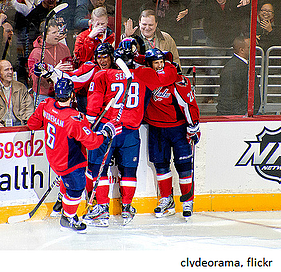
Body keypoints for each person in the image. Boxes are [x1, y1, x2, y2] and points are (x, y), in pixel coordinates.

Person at [82, 42, 178, 227]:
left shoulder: (103, 74)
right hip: (131, 132)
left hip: (107, 130)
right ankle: (126, 208)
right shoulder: (144, 74)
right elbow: (170, 74)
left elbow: (93, 108)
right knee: (128, 170)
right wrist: (141, 60)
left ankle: (101, 209)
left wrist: (91, 129)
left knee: (98, 169)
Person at [27, 77, 122, 233]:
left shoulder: (46, 104)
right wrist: (106, 133)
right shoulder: (75, 119)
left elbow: (33, 123)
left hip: (54, 157)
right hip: (70, 162)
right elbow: (92, 142)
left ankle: (61, 204)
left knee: (67, 182)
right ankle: (68, 217)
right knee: (76, 188)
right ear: (71, 95)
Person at [33, 42, 115, 215]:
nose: (102, 60)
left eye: (105, 56)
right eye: (99, 57)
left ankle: (92, 204)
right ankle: (65, 201)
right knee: (77, 166)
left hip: (91, 122)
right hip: (82, 124)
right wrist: (50, 70)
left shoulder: (48, 104)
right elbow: (72, 78)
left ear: (112, 57)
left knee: (88, 166)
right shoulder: (90, 68)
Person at [143, 48, 200, 219]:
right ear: (149, 65)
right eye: (156, 63)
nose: (160, 65)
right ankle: (166, 200)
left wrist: (193, 127)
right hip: (156, 129)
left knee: (184, 166)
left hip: (178, 129)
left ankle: (188, 201)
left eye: (161, 62)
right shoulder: (146, 77)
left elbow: (187, 104)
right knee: (161, 165)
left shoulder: (175, 79)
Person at [176, 0, 251, 103]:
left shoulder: (236, 2)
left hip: (233, 40)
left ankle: (237, 95)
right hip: (215, 41)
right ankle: (209, 96)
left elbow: (246, 14)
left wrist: (247, 5)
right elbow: (197, 12)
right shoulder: (208, 3)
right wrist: (188, 12)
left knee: (236, 68)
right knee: (213, 69)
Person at [28, 18, 72, 106]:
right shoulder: (36, 53)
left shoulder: (64, 48)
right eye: (54, 33)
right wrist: (54, 71)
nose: (58, 35)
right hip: (44, 95)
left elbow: (70, 69)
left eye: (58, 32)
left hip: (63, 95)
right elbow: (35, 79)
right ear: (44, 35)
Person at [217, 36, 261, 115]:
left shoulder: (241, 65)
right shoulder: (233, 69)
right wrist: (243, 115)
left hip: (245, 115)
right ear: (242, 50)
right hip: (238, 118)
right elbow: (229, 99)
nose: (254, 49)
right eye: (250, 47)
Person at [0, 60, 33, 127]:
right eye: (6, 70)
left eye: (11, 69)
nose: (10, 72)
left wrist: (26, 122)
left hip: (19, 124)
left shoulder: (21, 87)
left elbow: (29, 108)